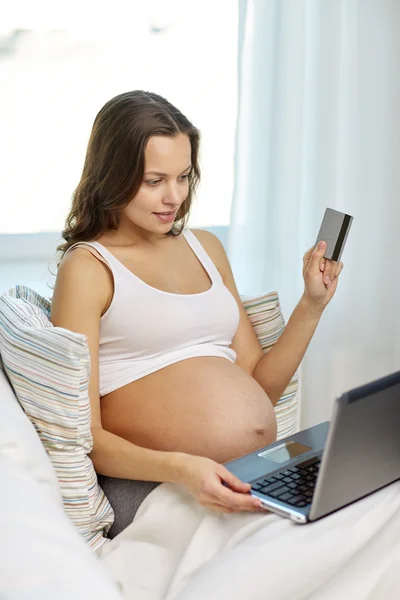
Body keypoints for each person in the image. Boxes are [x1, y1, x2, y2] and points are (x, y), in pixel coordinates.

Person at [51, 90, 344, 538]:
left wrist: (311, 304)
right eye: (154, 181)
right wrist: (184, 468)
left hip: (243, 472)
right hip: (156, 482)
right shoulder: (89, 267)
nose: (173, 197)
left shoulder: (206, 248)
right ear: (113, 175)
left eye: (184, 177)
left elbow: (259, 388)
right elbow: (85, 435)